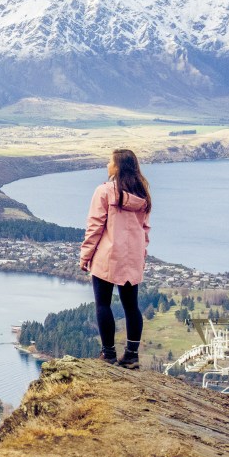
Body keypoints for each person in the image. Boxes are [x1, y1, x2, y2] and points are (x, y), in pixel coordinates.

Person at [79, 149, 151, 369]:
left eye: (110, 161)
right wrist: (141, 254)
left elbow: (95, 227)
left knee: (103, 304)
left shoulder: (105, 191)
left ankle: (108, 353)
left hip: (107, 256)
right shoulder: (143, 195)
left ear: (118, 167)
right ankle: (131, 356)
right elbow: (145, 229)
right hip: (133, 257)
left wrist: (85, 256)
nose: (107, 164)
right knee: (132, 306)